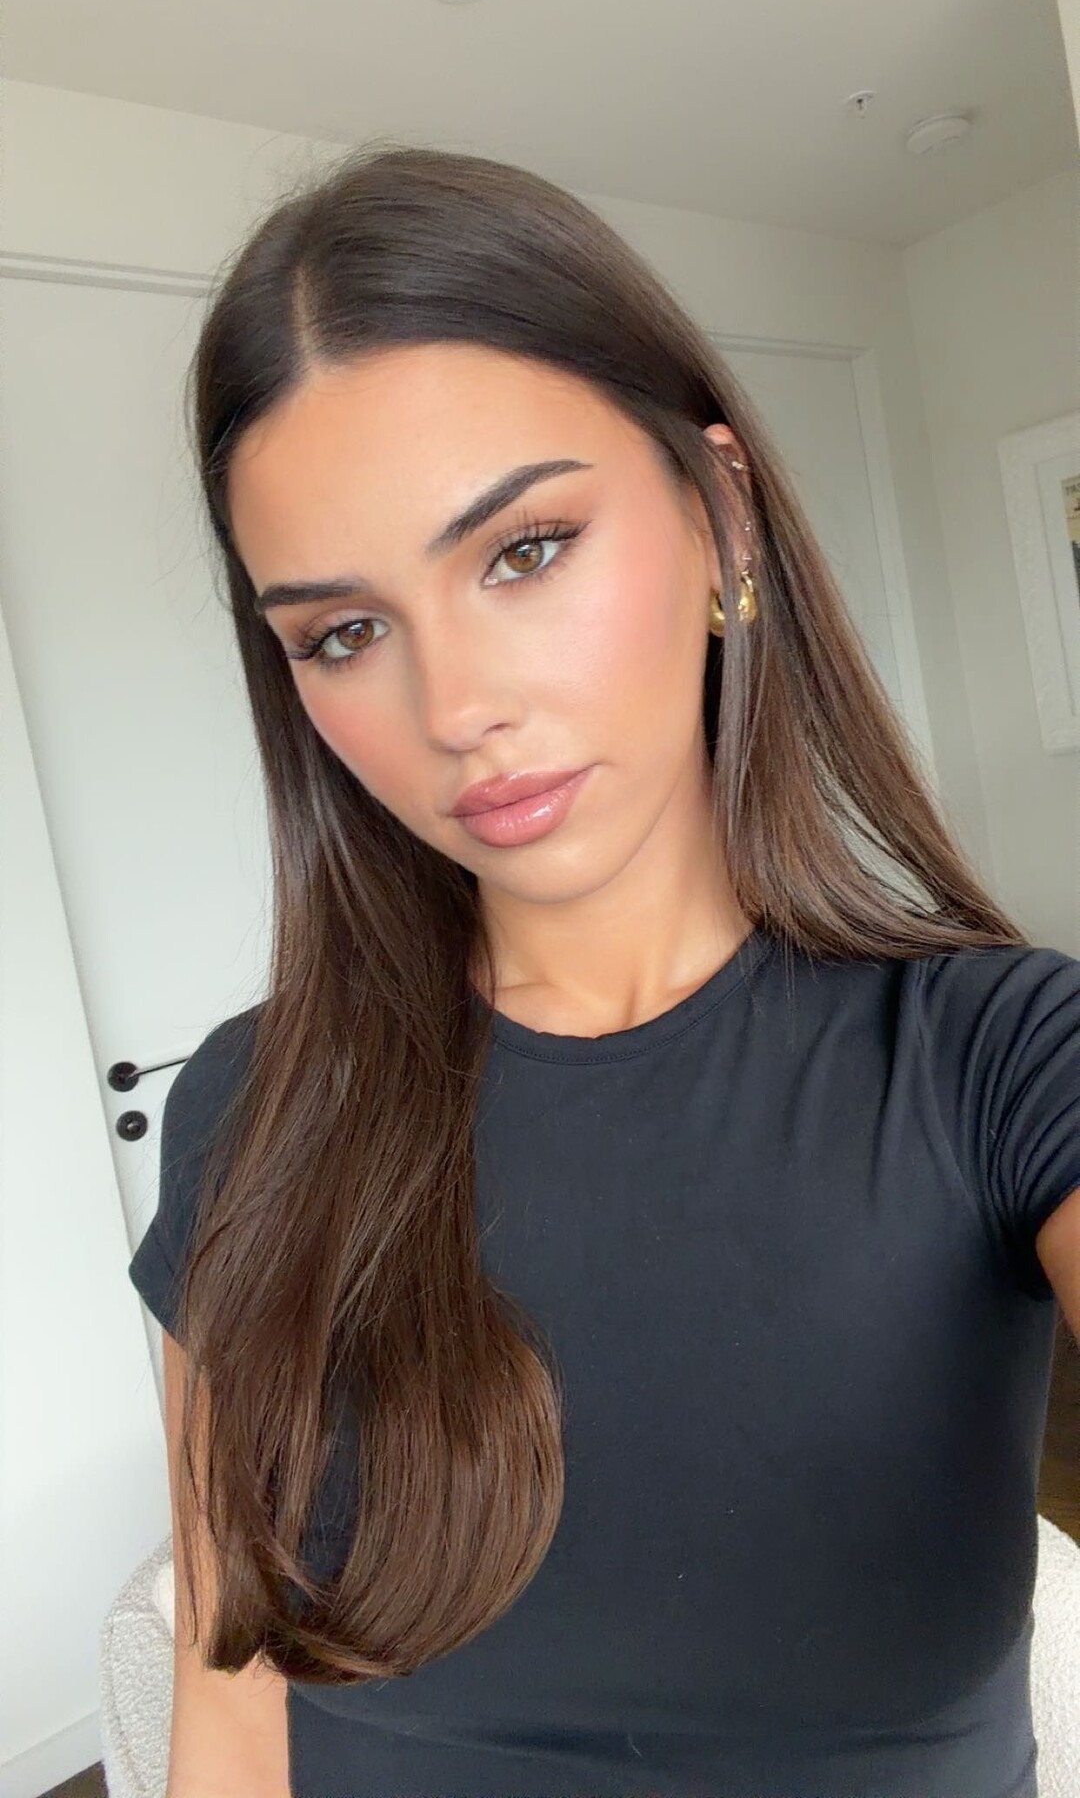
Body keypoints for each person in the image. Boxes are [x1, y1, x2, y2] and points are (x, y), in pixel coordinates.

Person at [128, 143, 1080, 1798]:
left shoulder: (999, 1058)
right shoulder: (251, 1108)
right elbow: (232, 1695)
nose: (455, 709)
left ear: (720, 515)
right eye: (343, 633)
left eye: (523, 551)